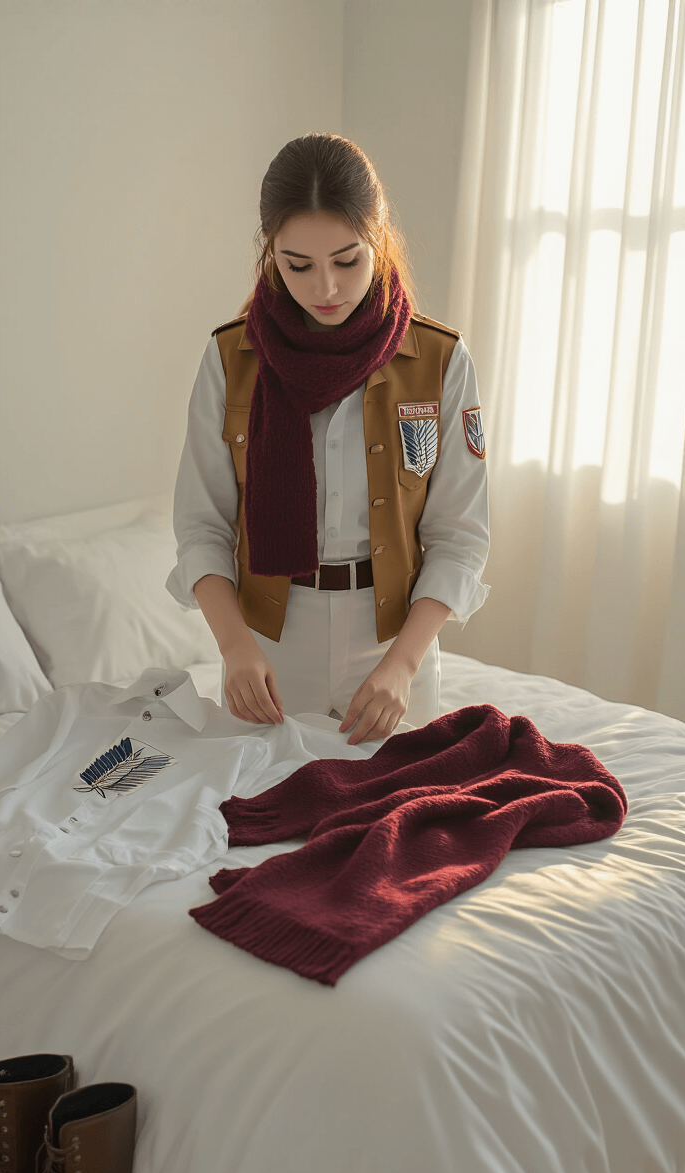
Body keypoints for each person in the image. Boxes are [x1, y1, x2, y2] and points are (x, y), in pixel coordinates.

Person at [166, 133, 490, 745]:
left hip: (391, 647)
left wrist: (403, 665)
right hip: (270, 648)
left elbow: (459, 538)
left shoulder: (439, 359)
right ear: (270, 252)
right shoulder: (231, 358)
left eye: (347, 261)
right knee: (266, 802)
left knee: (396, 802)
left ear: (379, 240)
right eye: (298, 266)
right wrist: (234, 647)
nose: (326, 289)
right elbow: (202, 527)